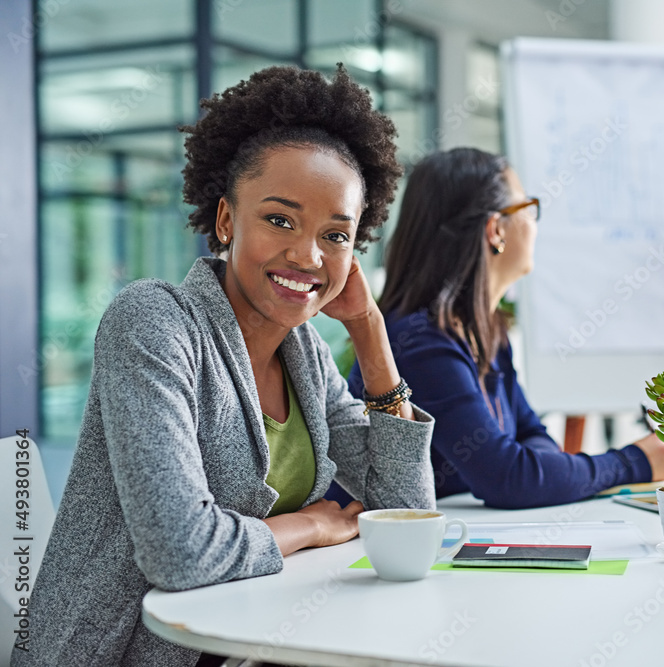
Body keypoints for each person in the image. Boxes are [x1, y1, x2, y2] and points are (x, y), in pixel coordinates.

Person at [17, 66, 435, 666]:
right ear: (225, 221)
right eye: (280, 220)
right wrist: (310, 527)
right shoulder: (154, 322)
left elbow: (406, 514)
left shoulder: (306, 354)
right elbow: (178, 551)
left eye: (336, 235)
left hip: (259, 639)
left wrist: (369, 330)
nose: (307, 255)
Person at [325, 147, 664, 510]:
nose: (534, 223)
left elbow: (532, 438)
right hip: (365, 549)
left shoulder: (484, 329)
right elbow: (509, 478)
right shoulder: (419, 341)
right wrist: (633, 462)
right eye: (526, 207)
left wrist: (533, 469)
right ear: (496, 230)